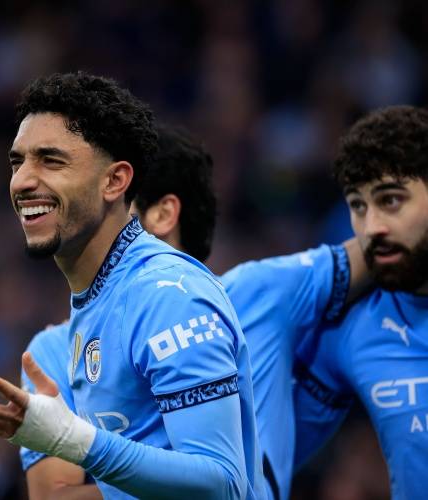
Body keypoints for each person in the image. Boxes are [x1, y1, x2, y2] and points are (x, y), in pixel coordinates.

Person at [18, 125, 368, 500]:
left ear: (163, 213)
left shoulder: (258, 292)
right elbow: (54, 498)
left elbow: (386, 245)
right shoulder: (53, 351)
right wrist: (179, 479)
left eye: (120, 199)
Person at [0, 72, 265, 499]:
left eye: (51, 161)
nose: (23, 181)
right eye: (18, 162)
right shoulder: (96, 302)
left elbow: (222, 485)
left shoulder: (168, 295)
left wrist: (74, 440)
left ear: (115, 181)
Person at [293, 105, 428, 500]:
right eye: (357, 206)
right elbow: (263, 458)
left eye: (391, 201)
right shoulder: (351, 332)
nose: (371, 228)